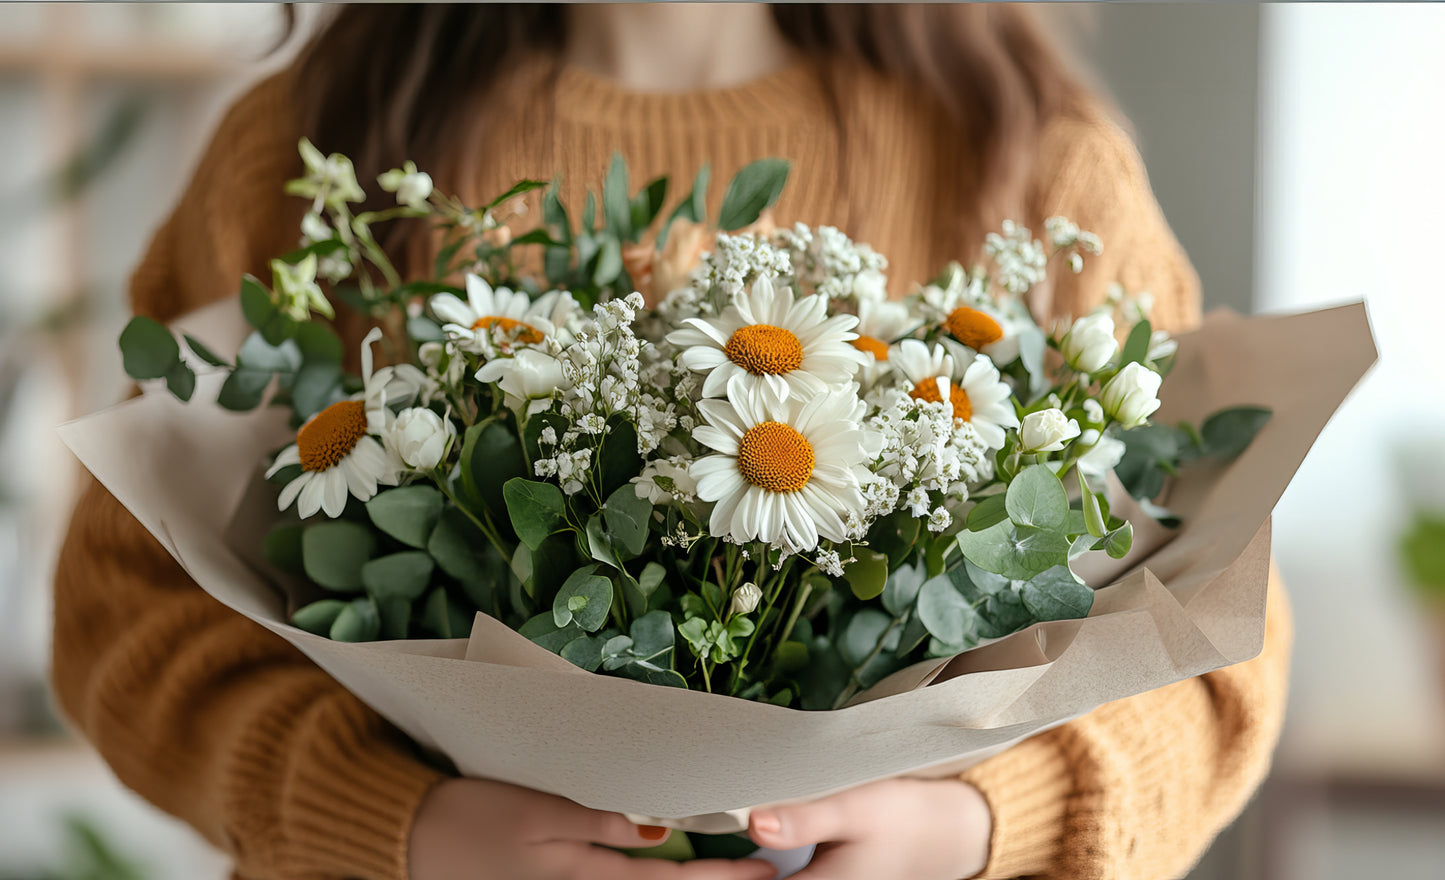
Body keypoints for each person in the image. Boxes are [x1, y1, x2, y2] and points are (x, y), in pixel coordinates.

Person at [52, 5, 1291, 880]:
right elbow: (129, 623)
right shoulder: (304, 156)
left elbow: (1209, 660)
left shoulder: (1031, 160)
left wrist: (972, 824)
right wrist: (406, 825)